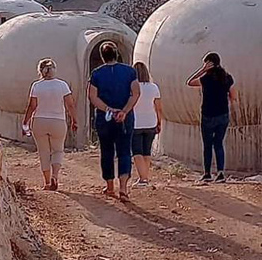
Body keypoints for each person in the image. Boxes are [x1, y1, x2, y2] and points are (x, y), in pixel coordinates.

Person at [88, 43, 140, 201]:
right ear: (117, 54)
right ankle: (123, 188)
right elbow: (136, 93)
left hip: (105, 118)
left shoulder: (96, 74)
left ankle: (110, 186)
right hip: (125, 118)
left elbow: (92, 96)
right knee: (124, 151)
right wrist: (124, 111)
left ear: (103, 57)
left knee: (107, 151)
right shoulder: (130, 71)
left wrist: (108, 109)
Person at [22, 58, 77, 191]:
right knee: (58, 150)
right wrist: (74, 120)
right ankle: (55, 176)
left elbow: (32, 106)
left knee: (43, 151)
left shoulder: (36, 86)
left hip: (40, 121)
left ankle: (47, 182)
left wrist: (25, 123)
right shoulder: (62, 85)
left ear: (40, 71)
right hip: (58, 121)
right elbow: (70, 104)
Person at [187, 52, 235, 183]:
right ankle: (220, 172)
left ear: (208, 64)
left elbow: (189, 82)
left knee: (207, 145)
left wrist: (202, 71)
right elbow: (233, 96)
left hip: (208, 115)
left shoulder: (205, 79)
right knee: (219, 144)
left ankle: (207, 173)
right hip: (223, 115)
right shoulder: (227, 78)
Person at [131, 61, 163, 187]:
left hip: (135, 123)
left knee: (136, 151)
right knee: (146, 151)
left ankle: (143, 178)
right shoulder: (153, 87)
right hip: (151, 122)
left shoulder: (132, 87)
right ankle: (145, 176)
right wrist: (159, 122)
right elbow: (158, 107)